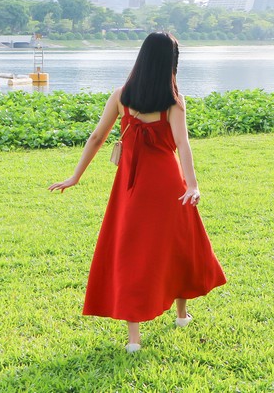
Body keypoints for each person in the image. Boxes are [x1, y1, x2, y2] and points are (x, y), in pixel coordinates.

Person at [48, 32, 226, 353]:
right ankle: (182, 315)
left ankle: (134, 340)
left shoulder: (121, 96)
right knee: (177, 246)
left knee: (133, 256)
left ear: (142, 58)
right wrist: (193, 184)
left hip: (132, 190)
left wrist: (75, 176)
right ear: (171, 62)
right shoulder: (173, 101)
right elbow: (183, 145)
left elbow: (96, 138)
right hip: (171, 187)